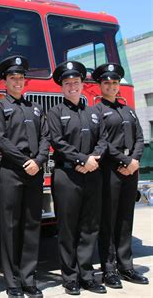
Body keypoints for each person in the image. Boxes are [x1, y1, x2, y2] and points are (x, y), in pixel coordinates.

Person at [0, 56, 49, 298]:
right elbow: (0, 139)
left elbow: (46, 137)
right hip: (12, 172)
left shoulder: (34, 107)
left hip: (34, 172)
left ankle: (29, 278)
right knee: (10, 227)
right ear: (5, 81)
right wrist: (25, 161)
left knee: (32, 226)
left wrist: (39, 161)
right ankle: (12, 282)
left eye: (21, 78)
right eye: (13, 78)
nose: (17, 81)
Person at [47, 61, 108, 295]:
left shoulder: (93, 113)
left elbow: (103, 140)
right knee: (68, 228)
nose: (72, 86)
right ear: (61, 87)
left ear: (82, 85)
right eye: (67, 83)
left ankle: (87, 275)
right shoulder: (55, 112)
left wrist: (93, 158)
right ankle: (70, 277)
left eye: (76, 82)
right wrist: (83, 160)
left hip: (93, 174)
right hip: (67, 175)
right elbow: (57, 143)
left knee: (89, 227)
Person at [93, 63, 149, 288]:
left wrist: (135, 160)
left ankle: (126, 266)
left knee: (125, 220)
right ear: (100, 86)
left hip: (130, 171)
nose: (111, 86)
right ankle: (108, 269)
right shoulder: (97, 112)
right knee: (108, 220)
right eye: (107, 83)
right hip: (110, 170)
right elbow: (103, 142)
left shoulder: (128, 111)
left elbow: (139, 137)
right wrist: (126, 161)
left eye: (115, 83)